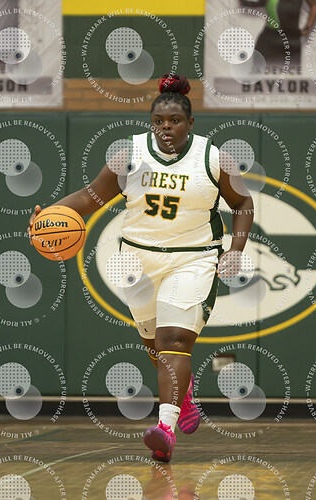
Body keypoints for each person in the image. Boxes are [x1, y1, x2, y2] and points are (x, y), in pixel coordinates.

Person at [28, 74, 254, 462]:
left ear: (190, 123)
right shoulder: (129, 154)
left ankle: (165, 430)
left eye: (175, 121)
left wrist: (235, 249)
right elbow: (90, 197)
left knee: (173, 340)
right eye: (159, 121)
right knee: (153, 345)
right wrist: (47, 215)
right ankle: (182, 394)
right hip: (137, 261)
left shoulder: (213, 157)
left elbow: (243, 204)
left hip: (193, 258)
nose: (166, 128)